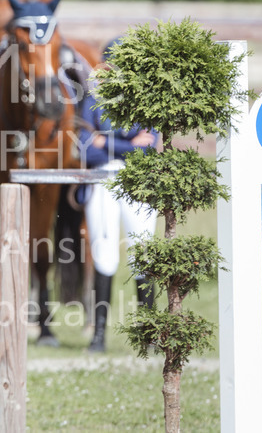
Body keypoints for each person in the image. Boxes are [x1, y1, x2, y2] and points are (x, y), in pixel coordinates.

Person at [76, 38, 159, 352]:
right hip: (102, 181)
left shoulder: (145, 99)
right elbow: (85, 147)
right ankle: (98, 336)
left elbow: (149, 148)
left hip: (138, 181)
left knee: (143, 251)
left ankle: (148, 334)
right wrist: (127, 144)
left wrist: (105, 142)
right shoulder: (94, 98)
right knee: (104, 251)